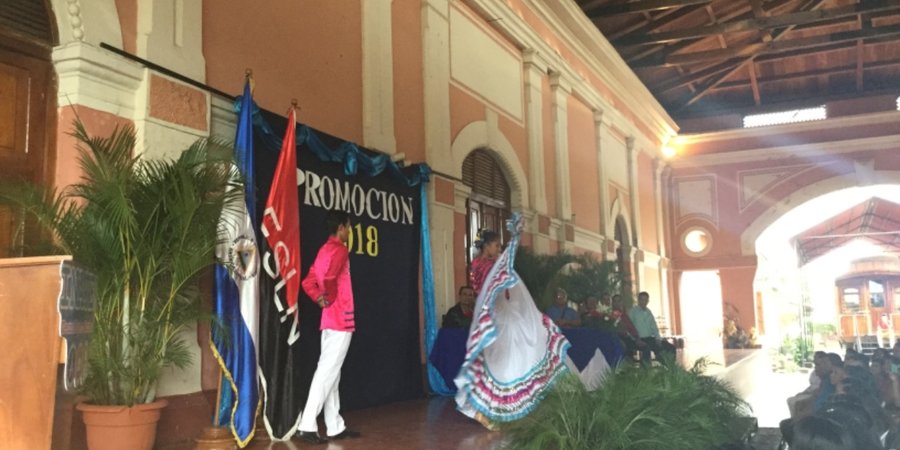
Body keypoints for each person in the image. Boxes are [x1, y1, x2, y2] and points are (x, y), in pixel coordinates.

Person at [455, 217, 574, 427]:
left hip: (504, 316)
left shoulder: (492, 265)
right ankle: (484, 410)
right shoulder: (481, 265)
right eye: (495, 245)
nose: (497, 249)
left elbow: (503, 273)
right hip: (495, 320)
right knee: (498, 363)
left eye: (499, 246)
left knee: (515, 357)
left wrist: (513, 242)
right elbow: (493, 280)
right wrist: (514, 240)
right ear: (485, 246)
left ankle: (505, 410)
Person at [297, 211, 361, 444]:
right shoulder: (341, 250)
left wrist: (320, 298)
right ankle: (307, 424)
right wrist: (329, 297)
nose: (349, 231)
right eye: (348, 227)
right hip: (340, 318)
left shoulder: (323, 250)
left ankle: (334, 425)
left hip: (328, 320)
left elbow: (308, 281)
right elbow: (331, 277)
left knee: (332, 372)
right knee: (326, 372)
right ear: (341, 227)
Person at [628, 291, 674, 365]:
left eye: (646, 300)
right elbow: (629, 327)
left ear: (648, 301)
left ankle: (669, 368)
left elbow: (654, 327)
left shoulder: (649, 312)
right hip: (638, 339)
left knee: (670, 347)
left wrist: (658, 338)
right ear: (638, 300)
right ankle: (646, 372)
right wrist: (636, 339)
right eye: (642, 299)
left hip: (649, 338)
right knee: (646, 349)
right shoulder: (633, 312)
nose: (644, 302)